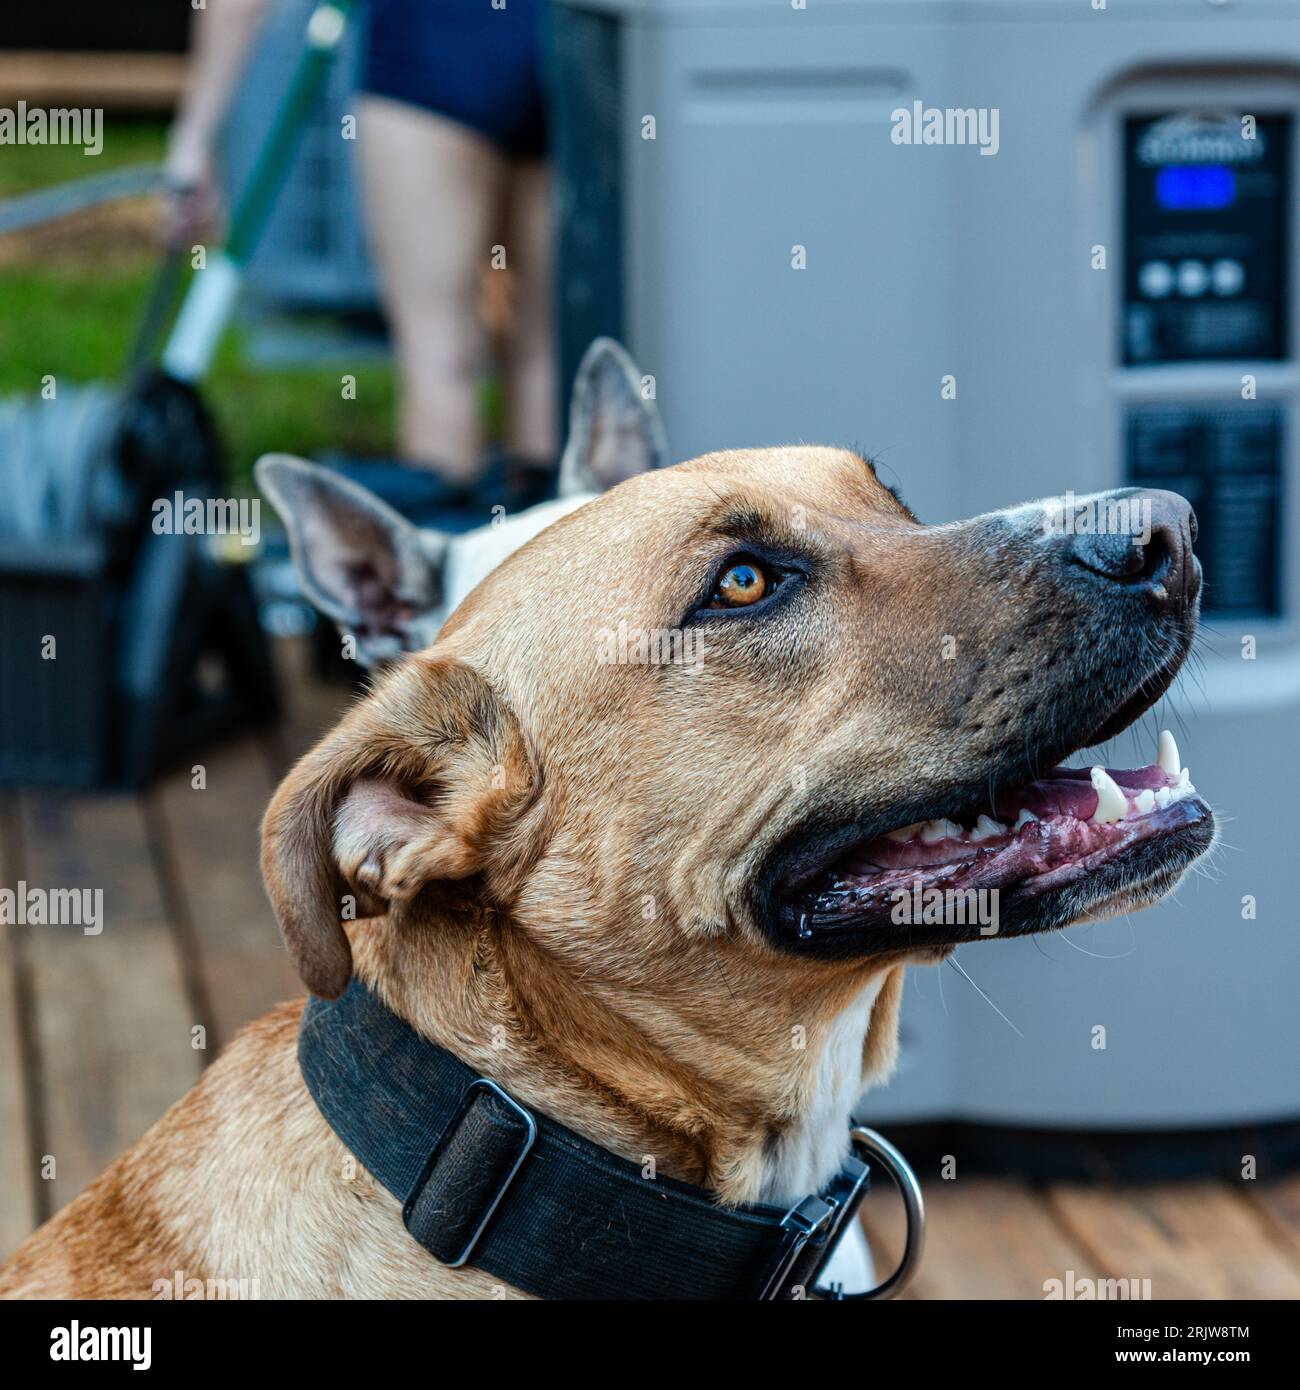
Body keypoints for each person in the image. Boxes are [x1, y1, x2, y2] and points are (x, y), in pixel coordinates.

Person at [166, 0, 557, 501]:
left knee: (440, 359)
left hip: (432, 53)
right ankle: (553, 562)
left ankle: (447, 557)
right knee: (540, 355)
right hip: (561, 41)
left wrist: (195, 139)